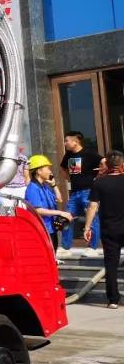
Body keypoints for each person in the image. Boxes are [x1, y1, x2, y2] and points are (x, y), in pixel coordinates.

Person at [85, 150, 124, 309]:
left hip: (109, 229)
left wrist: (87, 227)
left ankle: (113, 300)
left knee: (111, 265)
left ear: (107, 164)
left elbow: (92, 206)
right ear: (122, 164)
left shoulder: (99, 183)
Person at [60, 131, 102, 249]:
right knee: (66, 218)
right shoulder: (68, 155)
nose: (65, 143)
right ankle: (66, 247)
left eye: (67, 141)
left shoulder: (89, 153)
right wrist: (69, 178)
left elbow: (104, 162)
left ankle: (92, 247)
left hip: (88, 192)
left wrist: (99, 177)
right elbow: (62, 168)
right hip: (74, 193)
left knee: (92, 219)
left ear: (76, 141)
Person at [25, 154, 73, 250]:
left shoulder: (44, 186)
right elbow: (37, 210)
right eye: (47, 168)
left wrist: (54, 185)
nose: (50, 172)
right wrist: (60, 213)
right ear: (39, 171)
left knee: (53, 254)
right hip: (42, 230)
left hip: (51, 229)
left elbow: (59, 199)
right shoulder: (32, 188)